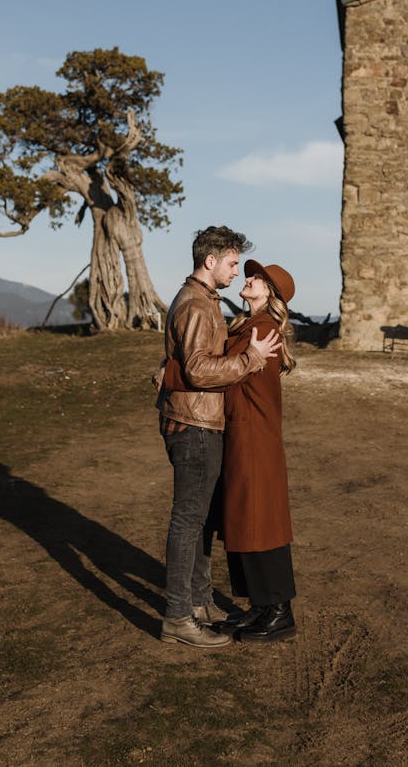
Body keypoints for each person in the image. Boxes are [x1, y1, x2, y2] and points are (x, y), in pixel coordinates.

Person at [156, 226, 281, 649]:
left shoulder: (206, 302)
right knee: (189, 519)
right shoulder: (195, 304)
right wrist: (249, 358)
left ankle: (200, 600)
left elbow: (187, 365)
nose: (235, 272)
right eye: (231, 263)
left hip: (203, 421)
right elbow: (198, 369)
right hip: (194, 424)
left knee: (202, 520)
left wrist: (168, 372)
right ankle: (178, 615)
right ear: (210, 261)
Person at [220, 259, 298, 643]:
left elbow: (227, 371)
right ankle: (263, 607)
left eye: (257, 278)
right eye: (249, 274)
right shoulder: (250, 326)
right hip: (246, 433)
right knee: (248, 519)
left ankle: (279, 611)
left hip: (253, 436)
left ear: (270, 293)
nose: (247, 279)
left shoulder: (263, 329)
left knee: (258, 522)